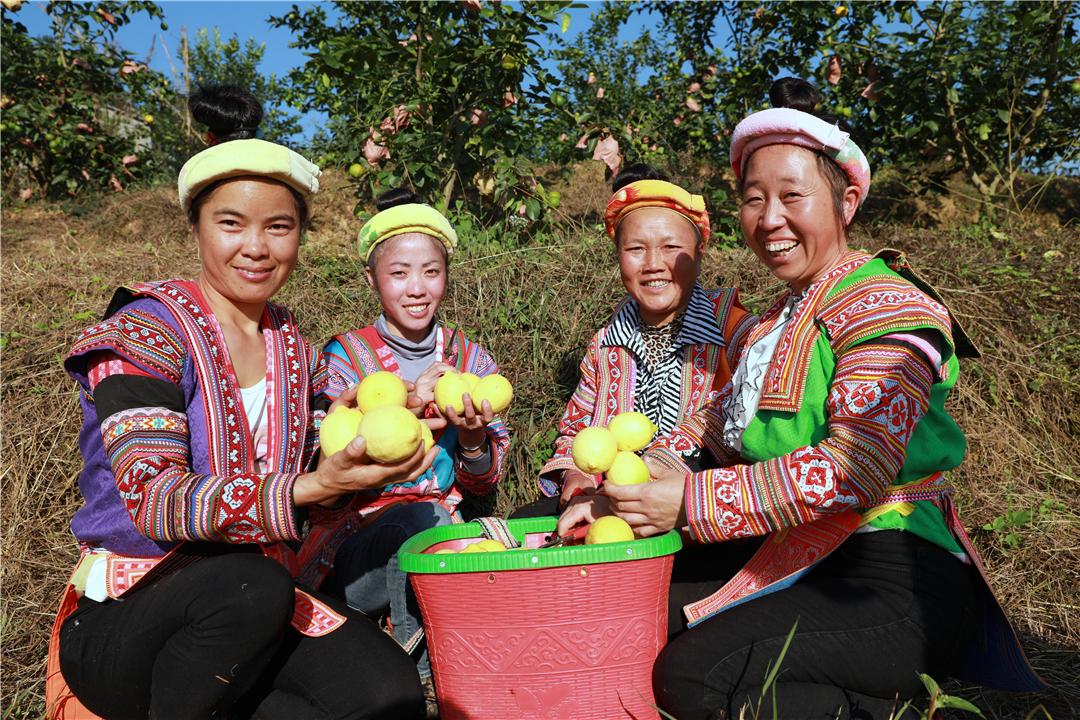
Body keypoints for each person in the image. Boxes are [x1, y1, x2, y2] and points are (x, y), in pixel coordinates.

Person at [558, 78, 1045, 719]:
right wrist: (619, 491)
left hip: (893, 573)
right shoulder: (771, 325)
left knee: (694, 677)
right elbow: (706, 439)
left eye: (793, 196)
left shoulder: (887, 304)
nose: (770, 219)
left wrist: (692, 501)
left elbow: (856, 466)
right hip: (796, 548)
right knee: (636, 604)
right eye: (754, 199)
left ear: (845, 202)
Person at [50, 84, 434, 720]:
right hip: (128, 619)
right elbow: (156, 500)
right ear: (195, 225)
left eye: (278, 227)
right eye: (231, 223)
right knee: (249, 584)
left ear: (300, 237)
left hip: (258, 605)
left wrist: (388, 438)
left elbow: (325, 454)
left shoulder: (293, 346)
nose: (255, 246)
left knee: (384, 689)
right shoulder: (145, 332)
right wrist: (308, 491)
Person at [296, 189, 510, 688]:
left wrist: (475, 440)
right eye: (399, 274)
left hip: (442, 542)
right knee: (422, 517)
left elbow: (480, 487)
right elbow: (327, 468)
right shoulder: (343, 359)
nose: (417, 288)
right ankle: (416, 664)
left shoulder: (471, 361)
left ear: (446, 275)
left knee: (482, 534)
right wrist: (408, 405)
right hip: (353, 556)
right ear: (372, 279)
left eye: (431, 272)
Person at [520, 164, 756, 517]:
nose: (653, 264)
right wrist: (575, 474)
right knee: (527, 521)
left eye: (671, 246)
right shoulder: (604, 346)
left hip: (698, 510)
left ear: (700, 251)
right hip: (608, 501)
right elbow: (577, 425)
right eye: (635, 249)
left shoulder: (737, 333)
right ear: (618, 255)